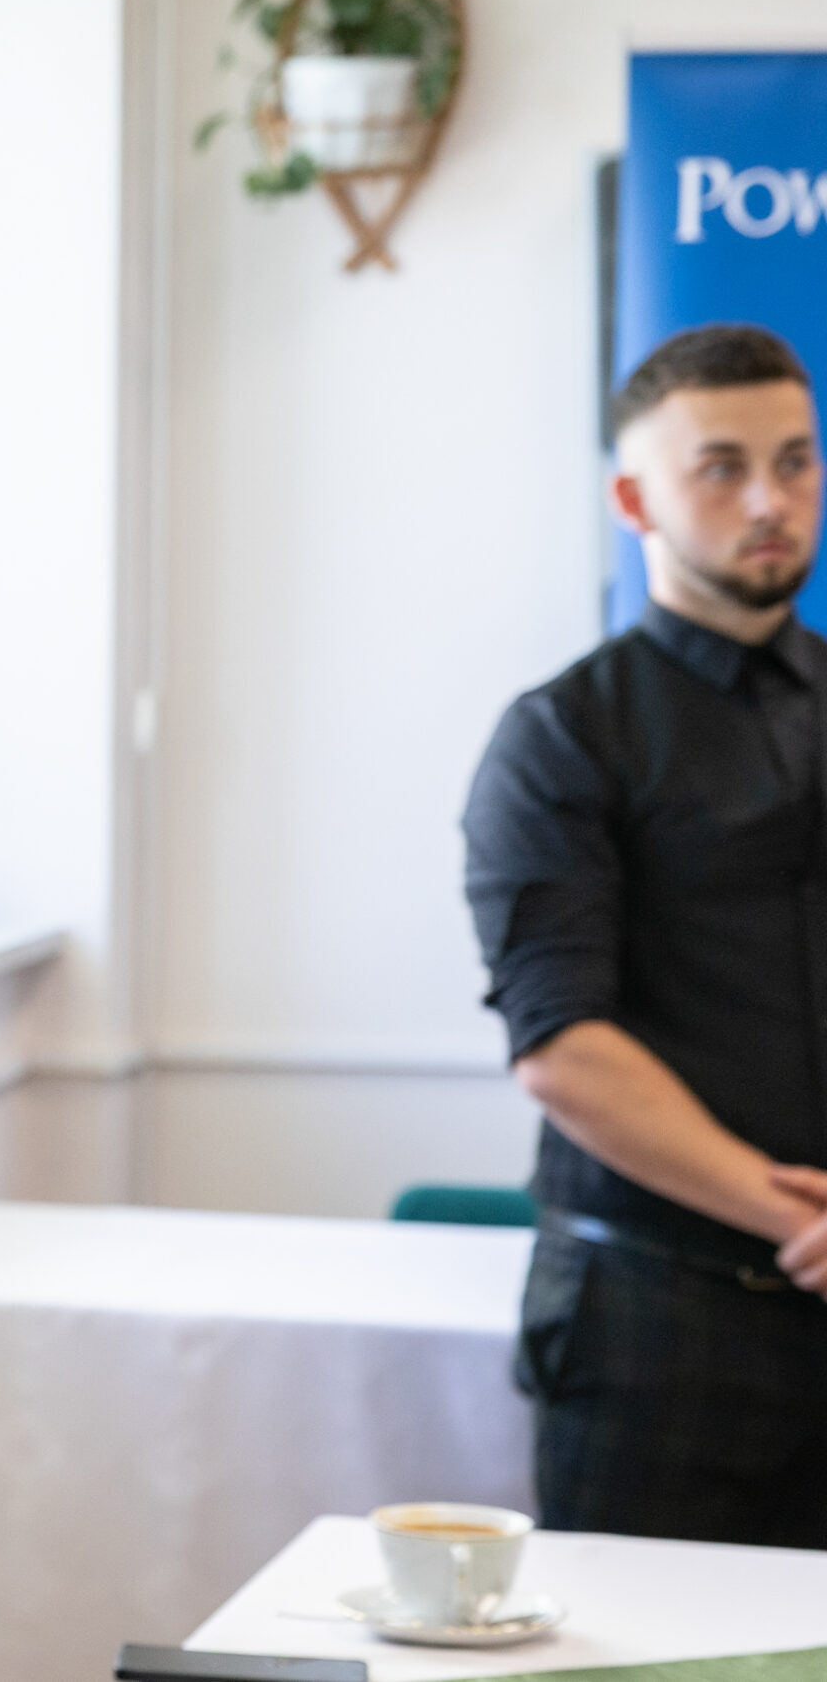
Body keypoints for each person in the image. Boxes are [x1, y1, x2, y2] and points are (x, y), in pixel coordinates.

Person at [464, 321, 827, 1549]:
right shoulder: (561, 736)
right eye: (721, 467)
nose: (768, 500)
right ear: (634, 500)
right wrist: (797, 1219)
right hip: (657, 1329)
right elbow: (561, 1045)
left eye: (794, 461)